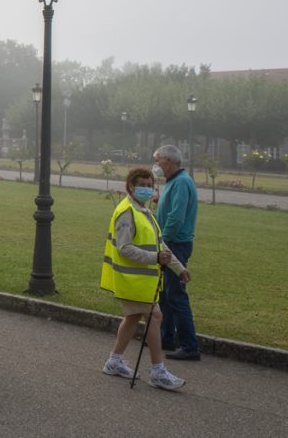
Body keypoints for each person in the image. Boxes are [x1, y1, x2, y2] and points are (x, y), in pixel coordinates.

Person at [100, 167, 189, 391]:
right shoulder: (127, 211)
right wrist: (155, 258)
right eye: (142, 185)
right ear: (130, 186)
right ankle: (158, 371)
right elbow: (124, 248)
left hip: (140, 281)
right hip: (131, 280)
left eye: (150, 186)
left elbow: (161, 246)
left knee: (132, 318)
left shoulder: (144, 211)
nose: (147, 189)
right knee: (155, 317)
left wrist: (178, 268)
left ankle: (114, 361)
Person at [154, 144, 201, 361]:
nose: (156, 165)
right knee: (165, 293)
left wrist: (163, 241)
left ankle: (189, 345)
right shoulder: (174, 181)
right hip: (171, 242)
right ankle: (166, 337)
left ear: (170, 162)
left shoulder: (181, 182)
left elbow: (176, 216)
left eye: (159, 160)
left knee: (176, 295)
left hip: (175, 244)